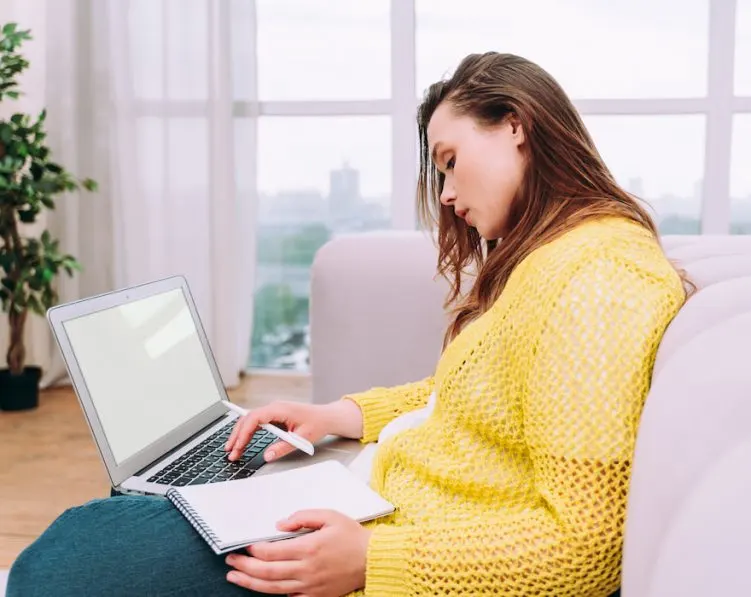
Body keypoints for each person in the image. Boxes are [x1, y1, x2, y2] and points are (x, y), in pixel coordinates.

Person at [8, 51, 691, 596]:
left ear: (516, 123)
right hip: (374, 501)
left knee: (70, 554)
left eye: (450, 161)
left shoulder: (602, 280)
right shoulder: (558, 259)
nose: (447, 195)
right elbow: (478, 397)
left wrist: (372, 558)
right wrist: (336, 414)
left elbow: (588, 549)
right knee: (111, 528)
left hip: (391, 546)